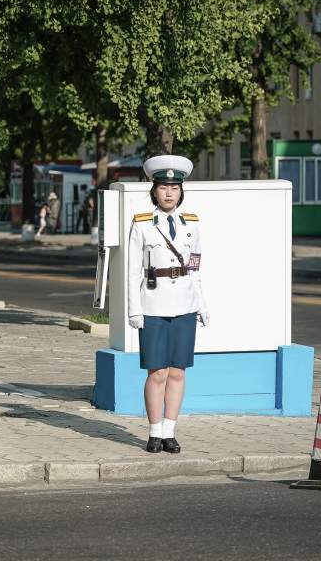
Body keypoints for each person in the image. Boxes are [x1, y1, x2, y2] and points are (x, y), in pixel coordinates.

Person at [127, 155, 208, 454]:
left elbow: (195, 267)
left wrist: (201, 303)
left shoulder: (192, 224)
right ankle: (154, 431)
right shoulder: (143, 224)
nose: (169, 193)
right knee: (156, 372)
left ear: (181, 191)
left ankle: (170, 432)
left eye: (174, 187)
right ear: (154, 191)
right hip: (153, 305)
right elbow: (133, 270)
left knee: (178, 372)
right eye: (163, 187)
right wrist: (134, 309)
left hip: (184, 304)